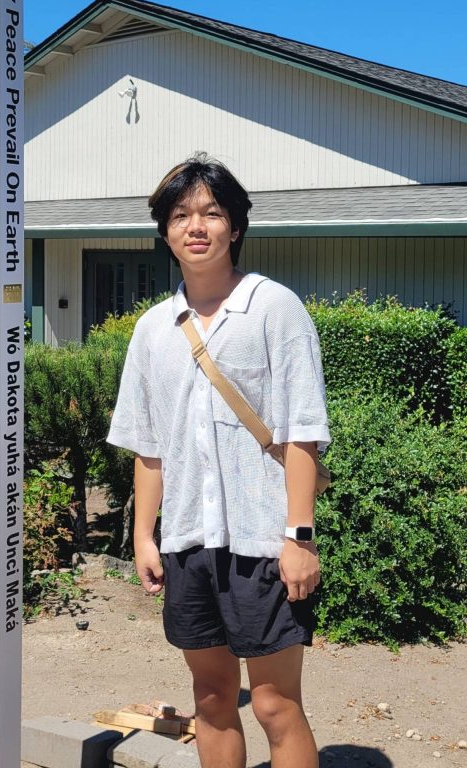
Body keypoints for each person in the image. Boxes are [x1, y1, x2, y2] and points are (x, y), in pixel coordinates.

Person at [106, 153, 330, 768]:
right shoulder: (153, 329)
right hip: (187, 541)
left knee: (275, 705)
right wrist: (143, 536)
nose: (196, 226)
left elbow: (301, 432)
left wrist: (299, 536)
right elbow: (149, 444)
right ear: (165, 231)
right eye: (181, 215)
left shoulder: (274, 308)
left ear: (235, 225)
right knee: (210, 698)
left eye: (211, 212)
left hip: (263, 541)